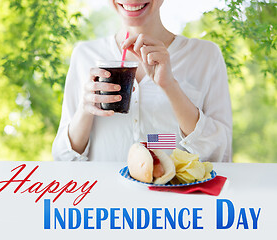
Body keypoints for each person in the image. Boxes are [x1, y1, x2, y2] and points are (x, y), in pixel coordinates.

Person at [52, 0, 232, 162]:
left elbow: (219, 154)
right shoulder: (85, 55)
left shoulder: (206, 56)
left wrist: (170, 85)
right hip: (104, 196)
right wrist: (85, 110)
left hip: (174, 197)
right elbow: (63, 159)